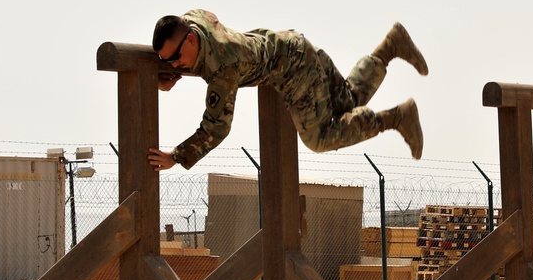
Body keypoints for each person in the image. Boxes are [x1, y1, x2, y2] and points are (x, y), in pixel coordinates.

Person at [146, 10, 427, 171]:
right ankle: (390, 46)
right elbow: (198, 42)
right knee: (348, 104)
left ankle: (396, 118)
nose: (174, 65)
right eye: (167, 61)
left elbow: (216, 128)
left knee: (319, 138)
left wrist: (176, 156)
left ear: (192, 40)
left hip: (294, 71)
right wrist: (173, 70)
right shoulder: (196, 19)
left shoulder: (224, 69)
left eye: (175, 58)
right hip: (294, 44)